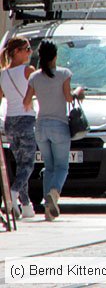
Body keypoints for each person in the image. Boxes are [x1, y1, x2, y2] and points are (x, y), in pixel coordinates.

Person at [22, 40, 84, 221]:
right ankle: (54, 193)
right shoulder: (64, 74)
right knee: (62, 167)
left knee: (48, 167)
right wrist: (78, 92)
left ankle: (48, 211)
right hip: (59, 126)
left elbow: (26, 102)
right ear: (55, 56)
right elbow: (68, 98)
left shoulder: (34, 77)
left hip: (41, 127)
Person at [1, 38, 37, 219]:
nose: (30, 52)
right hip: (26, 119)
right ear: (16, 52)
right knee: (28, 164)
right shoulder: (28, 70)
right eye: (27, 49)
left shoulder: (2, 74)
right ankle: (13, 194)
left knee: (20, 164)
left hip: (10, 121)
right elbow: (38, 90)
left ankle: (26, 206)